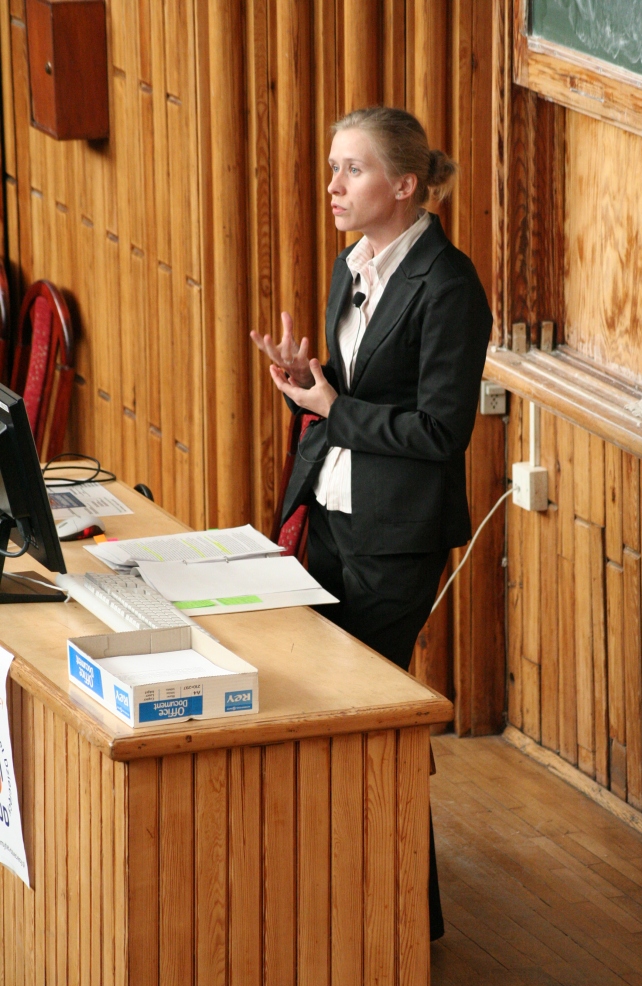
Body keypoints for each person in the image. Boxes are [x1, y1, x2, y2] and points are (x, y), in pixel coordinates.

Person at [251, 106, 492, 938]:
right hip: (330, 514)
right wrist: (306, 380)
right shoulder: (350, 262)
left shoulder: (449, 287)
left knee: (365, 716)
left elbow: (440, 432)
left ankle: (399, 914)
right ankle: (354, 897)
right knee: (335, 713)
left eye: (352, 169)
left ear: (405, 185)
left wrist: (333, 408)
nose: (333, 185)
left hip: (397, 537)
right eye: (333, 167)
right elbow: (356, 389)